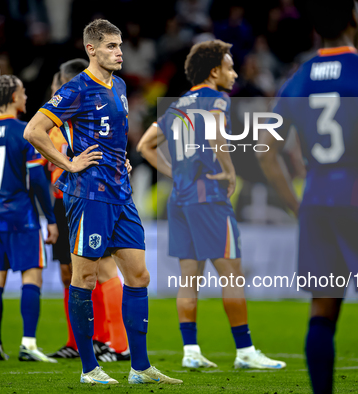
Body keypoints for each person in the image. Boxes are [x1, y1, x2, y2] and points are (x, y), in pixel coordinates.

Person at [258, 1, 358, 393]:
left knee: (323, 308)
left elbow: (265, 150)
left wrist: (297, 205)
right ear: (353, 21)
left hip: (316, 200)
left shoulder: (297, 79)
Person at [24, 19, 182, 385]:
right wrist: (69, 163)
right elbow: (34, 130)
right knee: (85, 277)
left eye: (120, 45)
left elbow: (111, 134)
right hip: (89, 196)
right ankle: (89, 369)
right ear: (91, 50)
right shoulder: (76, 88)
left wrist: (120, 158)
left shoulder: (121, 85)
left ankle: (140, 368)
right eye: (111, 46)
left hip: (120, 193)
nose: (119, 52)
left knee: (139, 275)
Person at [137, 40, 286, 370]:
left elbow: (145, 145)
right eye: (230, 67)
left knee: (189, 279)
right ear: (215, 71)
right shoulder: (216, 99)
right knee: (232, 274)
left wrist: (173, 171)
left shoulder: (177, 104)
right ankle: (245, 351)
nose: (234, 74)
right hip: (209, 196)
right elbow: (217, 134)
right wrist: (230, 171)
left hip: (180, 198)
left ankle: (190, 351)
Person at [0, 75, 58, 362]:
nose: (26, 96)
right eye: (23, 92)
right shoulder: (24, 131)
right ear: (12, 97)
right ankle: (28, 344)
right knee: (32, 276)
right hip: (22, 216)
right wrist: (51, 218)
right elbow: (39, 179)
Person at [46, 59, 129, 362]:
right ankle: (81, 340)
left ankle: (115, 342)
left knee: (101, 269)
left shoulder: (81, 111)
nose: (56, 95)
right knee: (72, 273)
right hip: (62, 200)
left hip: (90, 195)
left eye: (59, 88)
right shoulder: (60, 121)